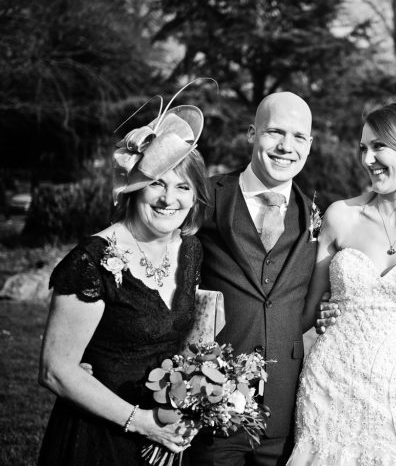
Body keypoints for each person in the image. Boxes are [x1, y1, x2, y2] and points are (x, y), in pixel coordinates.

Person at [288, 102, 396, 465]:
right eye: (363, 148)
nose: (367, 158)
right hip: (329, 387)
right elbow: (305, 310)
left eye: (378, 146)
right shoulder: (341, 215)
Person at [38, 99, 210, 466]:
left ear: (195, 197)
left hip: (160, 437)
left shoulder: (190, 250)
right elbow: (56, 370)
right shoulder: (89, 262)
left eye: (183, 187)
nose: (169, 199)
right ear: (135, 187)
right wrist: (141, 422)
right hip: (96, 438)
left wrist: (196, 401)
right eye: (157, 184)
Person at [191, 92, 318, 466]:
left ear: (309, 145)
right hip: (210, 402)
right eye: (275, 132)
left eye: (298, 137)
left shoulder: (315, 213)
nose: (285, 147)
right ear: (252, 133)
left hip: (283, 411)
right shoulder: (204, 197)